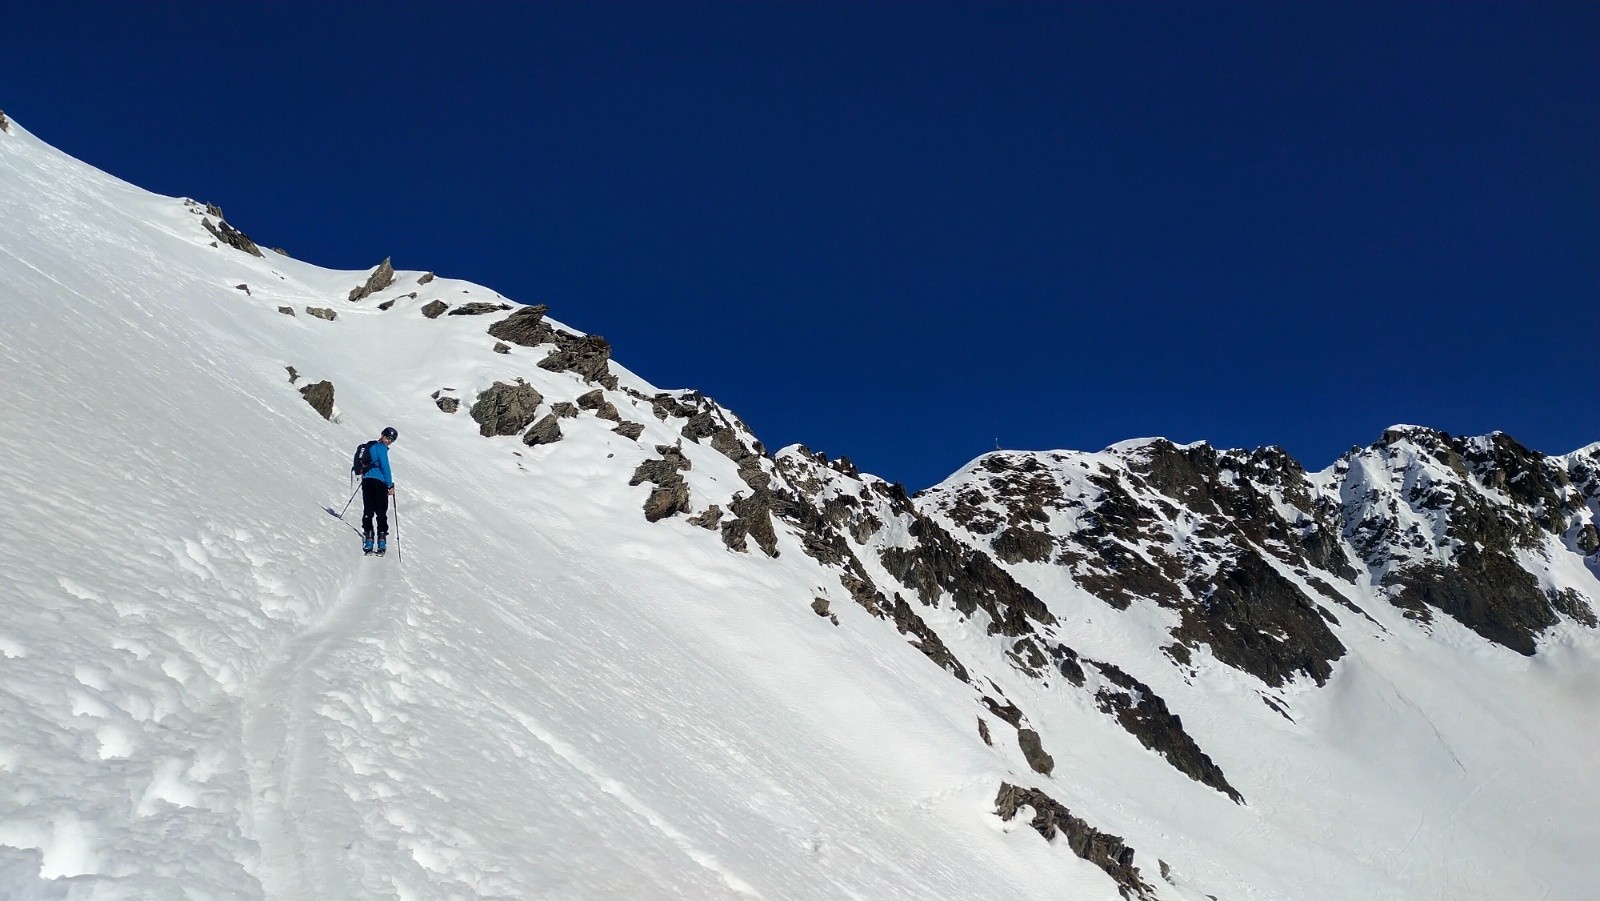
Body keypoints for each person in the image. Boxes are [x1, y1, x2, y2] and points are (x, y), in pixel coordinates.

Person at [361, 426, 398, 554]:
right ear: (382, 435)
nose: (388, 441)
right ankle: (381, 538)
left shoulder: (371, 446)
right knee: (381, 511)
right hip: (380, 483)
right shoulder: (381, 449)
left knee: (368, 509)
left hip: (367, 481)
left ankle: (369, 536)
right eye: (388, 438)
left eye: (391, 440)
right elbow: (385, 467)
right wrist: (390, 485)